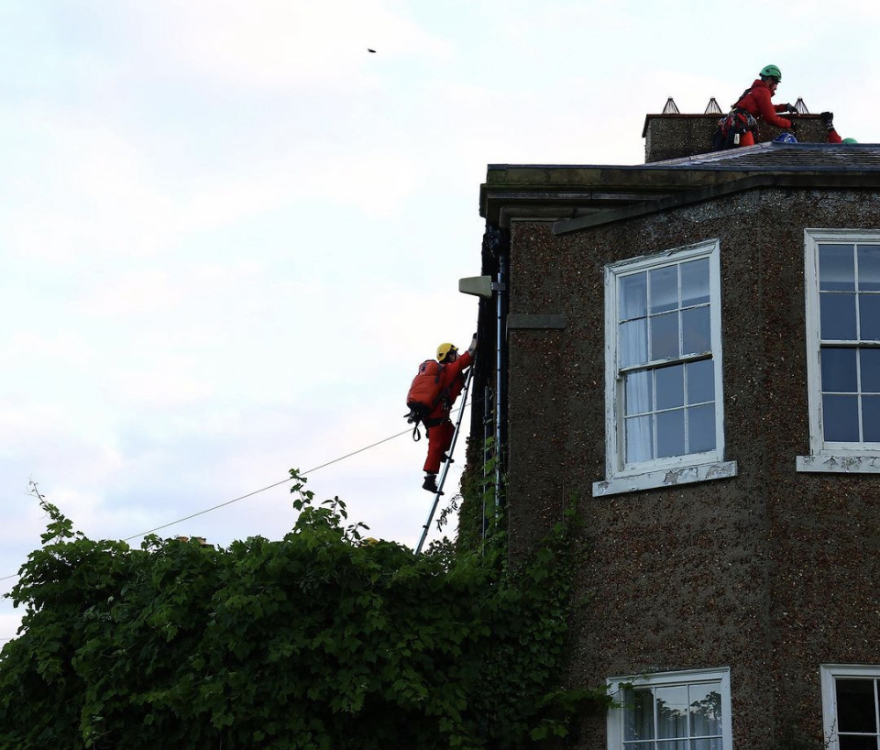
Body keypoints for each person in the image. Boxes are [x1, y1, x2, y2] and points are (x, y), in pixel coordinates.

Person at [421, 335, 477, 494]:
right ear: (449, 355)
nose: (457, 355)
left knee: (451, 431)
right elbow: (468, 356)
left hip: (440, 415)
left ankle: (441, 454)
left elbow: (455, 384)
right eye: (454, 353)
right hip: (436, 416)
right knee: (435, 446)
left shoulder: (448, 373)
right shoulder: (449, 369)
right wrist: (475, 340)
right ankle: (429, 479)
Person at [713, 65, 798, 149]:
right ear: (770, 80)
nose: (776, 88)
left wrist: (785, 107)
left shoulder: (752, 90)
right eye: (776, 83)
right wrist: (790, 124)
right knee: (749, 154)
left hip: (732, 124)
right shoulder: (763, 92)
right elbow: (770, 118)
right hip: (741, 126)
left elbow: (766, 107)